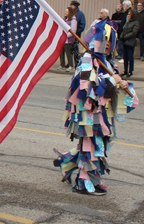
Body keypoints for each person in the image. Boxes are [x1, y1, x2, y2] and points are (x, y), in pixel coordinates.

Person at [53, 19, 138, 196]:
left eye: (110, 40)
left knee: (96, 148)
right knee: (91, 146)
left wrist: (124, 86)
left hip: (103, 115)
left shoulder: (108, 63)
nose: (107, 44)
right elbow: (87, 89)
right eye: (104, 39)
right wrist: (111, 81)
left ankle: (68, 163)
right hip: (88, 115)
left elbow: (112, 90)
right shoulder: (87, 60)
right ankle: (83, 182)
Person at [120, 9, 140, 77]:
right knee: (125, 57)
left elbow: (134, 32)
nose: (128, 15)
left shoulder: (136, 23)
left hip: (131, 41)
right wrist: (121, 36)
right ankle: (125, 70)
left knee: (130, 56)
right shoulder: (127, 22)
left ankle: (130, 70)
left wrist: (125, 36)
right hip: (125, 41)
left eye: (129, 14)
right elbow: (124, 29)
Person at [58, 7, 77, 71]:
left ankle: (71, 66)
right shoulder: (64, 19)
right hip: (62, 39)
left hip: (68, 40)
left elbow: (73, 31)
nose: (65, 12)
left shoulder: (73, 20)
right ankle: (62, 65)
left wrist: (65, 36)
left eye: (67, 11)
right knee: (61, 52)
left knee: (68, 53)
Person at [70, 0, 86, 66]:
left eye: (72, 5)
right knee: (70, 49)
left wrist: (76, 32)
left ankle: (77, 62)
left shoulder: (80, 14)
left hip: (76, 35)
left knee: (75, 49)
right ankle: (70, 63)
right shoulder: (70, 13)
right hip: (70, 35)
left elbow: (82, 25)